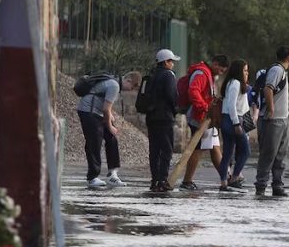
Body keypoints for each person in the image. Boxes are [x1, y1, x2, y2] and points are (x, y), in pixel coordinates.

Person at [76, 71, 139, 188]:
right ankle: (92, 177)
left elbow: (106, 108)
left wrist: (110, 119)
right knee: (94, 142)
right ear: (128, 80)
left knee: (112, 138)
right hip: (88, 112)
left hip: (97, 112)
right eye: (133, 86)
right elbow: (106, 109)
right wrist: (110, 125)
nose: (131, 90)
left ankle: (112, 174)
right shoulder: (114, 85)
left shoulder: (114, 83)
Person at [180, 54, 230, 190]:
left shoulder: (207, 74)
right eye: (220, 70)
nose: (220, 73)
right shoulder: (202, 74)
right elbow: (193, 91)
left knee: (215, 147)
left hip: (206, 118)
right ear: (215, 64)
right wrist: (205, 106)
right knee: (198, 148)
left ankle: (226, 179)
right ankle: (187, 181)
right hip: (199, 117)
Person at [254, 46, 289, 197]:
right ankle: (261, 186)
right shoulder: (277, 70)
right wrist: (271, 109)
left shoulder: (281, 71)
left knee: (280, 155)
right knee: (268, 154)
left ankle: (277, 185)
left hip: (282, 119)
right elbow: (268, 89)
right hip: (273, 120)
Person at [145, 49, 180, 192]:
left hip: (151, 117)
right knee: (166, 149)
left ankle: (154, 179)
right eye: (171, 61)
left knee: (154, 150)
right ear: (165, 62)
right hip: (165, 117)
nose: (172, 64)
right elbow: (172, 96)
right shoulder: (168, 75)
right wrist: (176, 109)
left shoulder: (152, 75)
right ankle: (163, 180)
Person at [217, 59, 252, 191]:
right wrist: (237, 123)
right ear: (238, 71)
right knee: (245, 151)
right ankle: (235, 177)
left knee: (227, 153)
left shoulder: (232, 83)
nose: (246, 73)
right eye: (244, 70)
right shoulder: (235, 83)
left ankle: (224, 182)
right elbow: (231, 105)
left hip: (229, 119)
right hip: (233, 120)